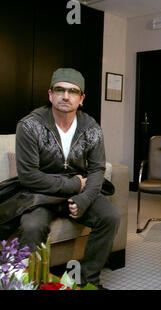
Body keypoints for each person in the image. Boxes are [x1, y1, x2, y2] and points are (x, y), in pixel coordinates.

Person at [0, 68, 120, 288]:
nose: (66, 96)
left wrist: (84, 199)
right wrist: (73, 185)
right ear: (50, 95)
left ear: (81, 98)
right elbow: (28, 176)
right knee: (32, 226)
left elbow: (96, 170)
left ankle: (87, 280)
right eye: (60, 90)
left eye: (73, 92)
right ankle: (27, 283)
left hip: (79, 193)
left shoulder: (91, 128)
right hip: (40, 194)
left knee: (109, 216)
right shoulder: (29, 125)